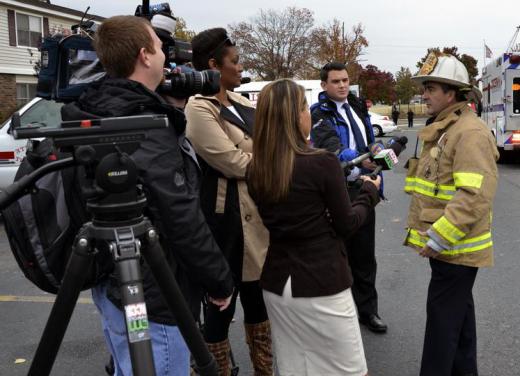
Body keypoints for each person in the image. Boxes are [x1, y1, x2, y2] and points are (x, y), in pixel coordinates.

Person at [61, 16, 234, 376]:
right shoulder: (142, 124)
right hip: (156, 293)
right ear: (144, 55)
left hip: (110, 282)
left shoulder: (96, 106)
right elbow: (180, 213)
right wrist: (218, 279)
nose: (165, 57)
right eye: (158, 46)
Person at [247, 78, 381, 375]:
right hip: (322, 282)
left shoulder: (257, 168)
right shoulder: (320, 163)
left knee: (298, 368)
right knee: (350, 370)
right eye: (304, 108)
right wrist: (369, 194)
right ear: (296, 116)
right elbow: (347, 224)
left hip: (278, 284)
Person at [403, 53, 499, 376]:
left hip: (455, 249)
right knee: (459, 324)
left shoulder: (469, 132)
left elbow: (474, 195)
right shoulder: (447, 127)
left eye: (430, 88)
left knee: (441, 329)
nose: (425, 95)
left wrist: (439, 236)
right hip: (450, 250)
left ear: (452, 92)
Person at [184, 28, 272, 375]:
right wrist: (269, 164)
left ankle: (264, 370)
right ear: (212, 65)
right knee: (220, 311)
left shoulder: (243, 103)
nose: (240, 68)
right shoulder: (198, 108)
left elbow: (260, 149)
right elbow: (230, 161)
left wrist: (259, 159)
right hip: (223, 224)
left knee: (258, 305)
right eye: (234, 62)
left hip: (257, 219)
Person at [310, 61, 387, 333]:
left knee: (365, 257)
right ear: (324, 85)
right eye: (335, 81)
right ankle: (337, 318)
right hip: (337, 192)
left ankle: (368, 312)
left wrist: (377, 149)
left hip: (364, 188)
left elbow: (368, 138)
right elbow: (331, 147)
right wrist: (359, 160)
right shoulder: (318, 112)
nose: (342, 85)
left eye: (344, 80)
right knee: (336, 257)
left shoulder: (356, 105)